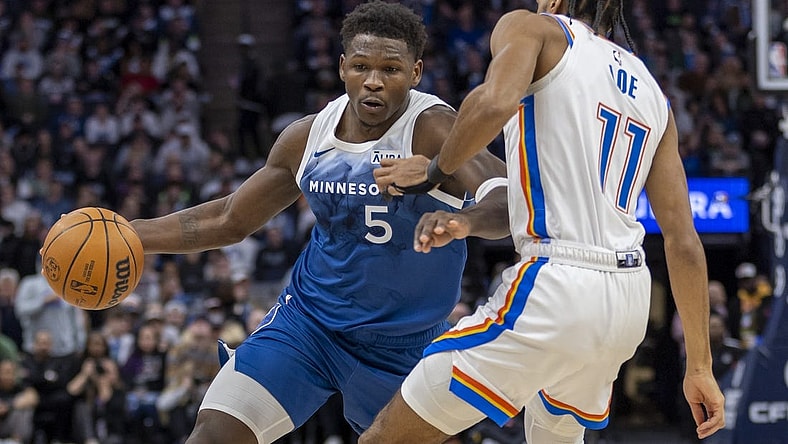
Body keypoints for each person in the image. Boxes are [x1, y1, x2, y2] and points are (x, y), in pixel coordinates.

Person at [128, 2, 508, 443]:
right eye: (362, 66)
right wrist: (132, 233)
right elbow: (230, 219)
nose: (373, 80)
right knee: (212, 435)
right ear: (343, 67)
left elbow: (505, 202)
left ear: (416, 73)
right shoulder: (309, 136)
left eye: (391, 69)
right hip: (309, 327)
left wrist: (463, 220)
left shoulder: (435, 128)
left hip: (405, 348)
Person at [365, 1, 725, 443]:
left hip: (558, 283)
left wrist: (435, 170)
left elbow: (494, 100)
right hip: (628, 299)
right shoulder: (653, 92)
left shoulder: (533, 28)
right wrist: (701, 366)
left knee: (385, 437)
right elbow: (684, 241)